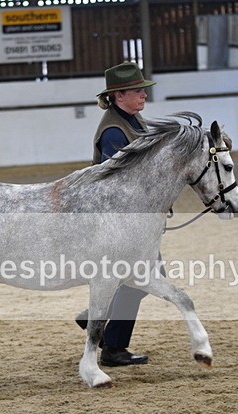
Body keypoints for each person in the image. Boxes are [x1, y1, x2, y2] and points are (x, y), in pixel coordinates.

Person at [76, 61, 155, 367]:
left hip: (130, 221)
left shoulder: (133, 120)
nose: (144, 95)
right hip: (115, 223)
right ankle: (113, 346)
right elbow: (117, 183)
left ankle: (95, 321)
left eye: (143, 90)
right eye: (138, 91)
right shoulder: (113, 131)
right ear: (119, 96)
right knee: (141, 281)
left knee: (136, 280)